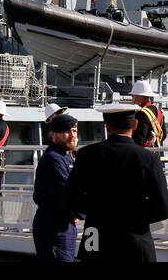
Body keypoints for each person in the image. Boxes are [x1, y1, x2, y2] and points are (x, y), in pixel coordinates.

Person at [68, 103, 168, 262]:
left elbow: (71, 197)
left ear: (106, 125)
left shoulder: (87, 155)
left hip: (95, 236)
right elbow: (163, 207)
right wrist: (135, 216)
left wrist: (98, 209)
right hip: (135, 239)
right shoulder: (149, 158)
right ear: (135, 125)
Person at [32, 114, 79, 262]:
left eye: (75, 130)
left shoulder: (65, 155)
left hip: (63, 223)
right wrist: (78, 211)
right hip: (54, 227)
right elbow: (65, 191)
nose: (72, 135)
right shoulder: (53, 158)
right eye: (67, 131)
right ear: (53, 134)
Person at [130, 80, 166, 147]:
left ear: (140, 96)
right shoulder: (159, 111)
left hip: (141, 154)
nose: (132, 99)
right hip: (154, 153)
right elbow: (163, 136)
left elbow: (139, 140)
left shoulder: (141, 113)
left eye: (133, 96)